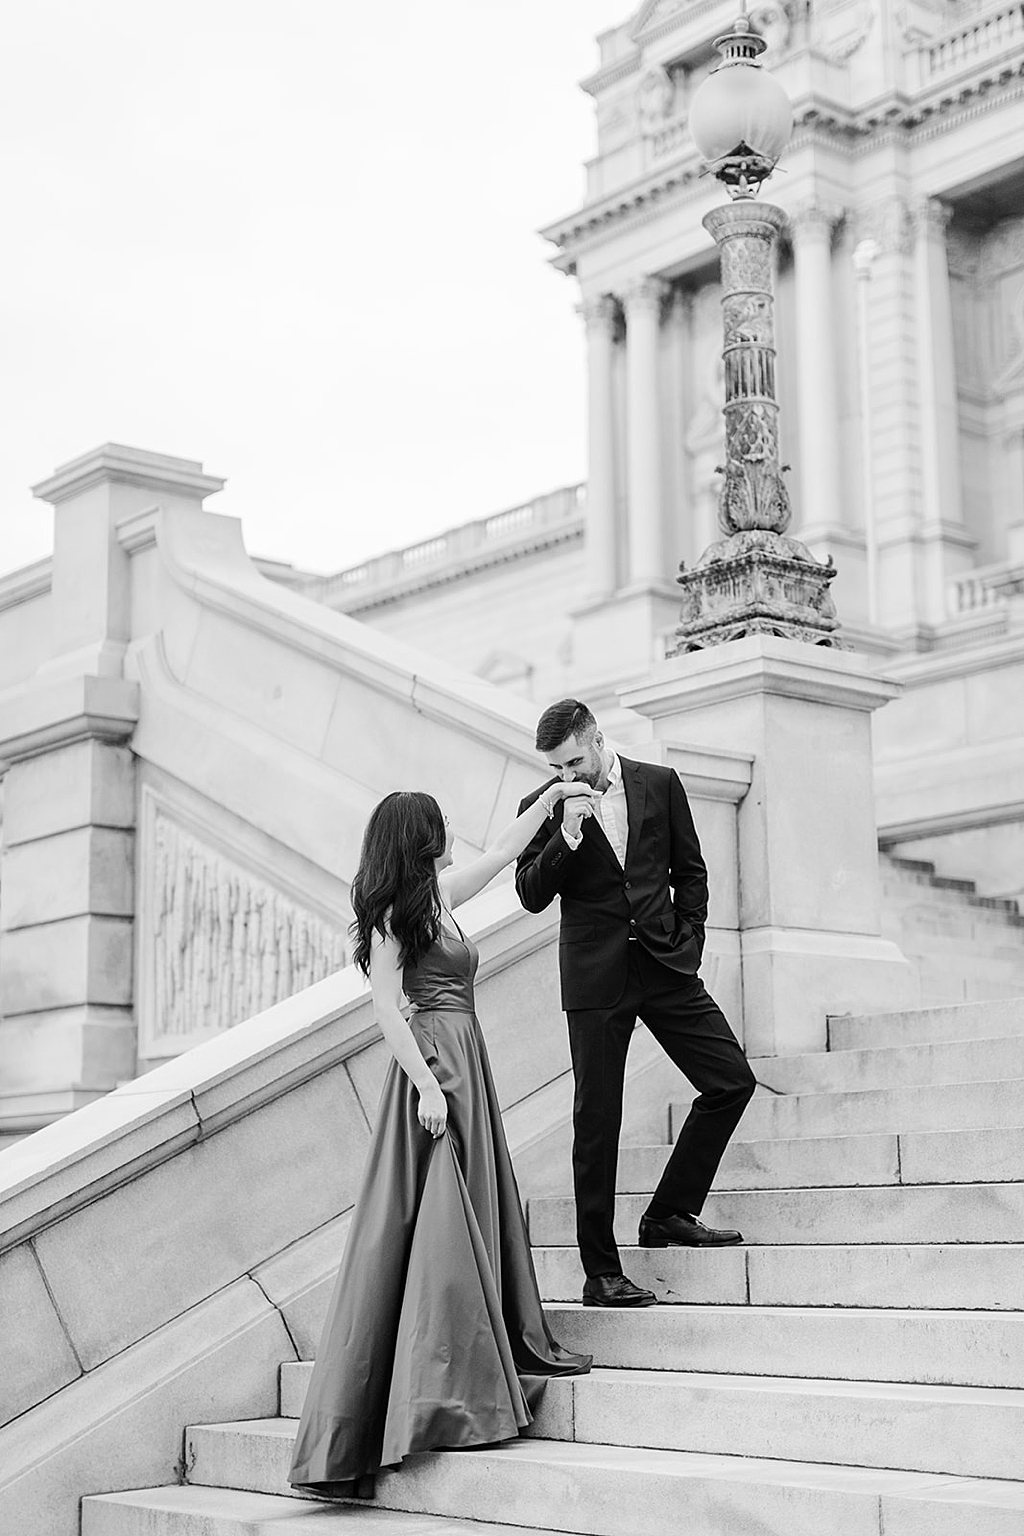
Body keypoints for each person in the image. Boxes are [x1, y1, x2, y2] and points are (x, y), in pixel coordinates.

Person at [289, 786, 593, 1498]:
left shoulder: (439, 896)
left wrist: (552, 798)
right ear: (420, 836)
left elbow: (505, 851)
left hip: (464, 1060)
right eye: (442, 823)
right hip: (434, 1068)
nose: (453, 829)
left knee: (471, 1207)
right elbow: (384, 1010)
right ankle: (437, 1388)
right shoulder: (400, 914)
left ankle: (477, 1358)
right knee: (433, 1222)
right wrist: (426, 1085)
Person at [515, 699, 757, 1309]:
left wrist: (691, 938)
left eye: (573, 759)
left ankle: (671, 1211)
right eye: (555, 766)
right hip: (597, 977)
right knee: (596, 1121)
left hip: (666, 963)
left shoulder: (659, 782)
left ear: (596, 738)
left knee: (730, 1081)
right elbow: (530, 894)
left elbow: (691, 870)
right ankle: (601, 1272)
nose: (566, 774)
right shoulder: (544, 806)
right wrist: (566, 835)